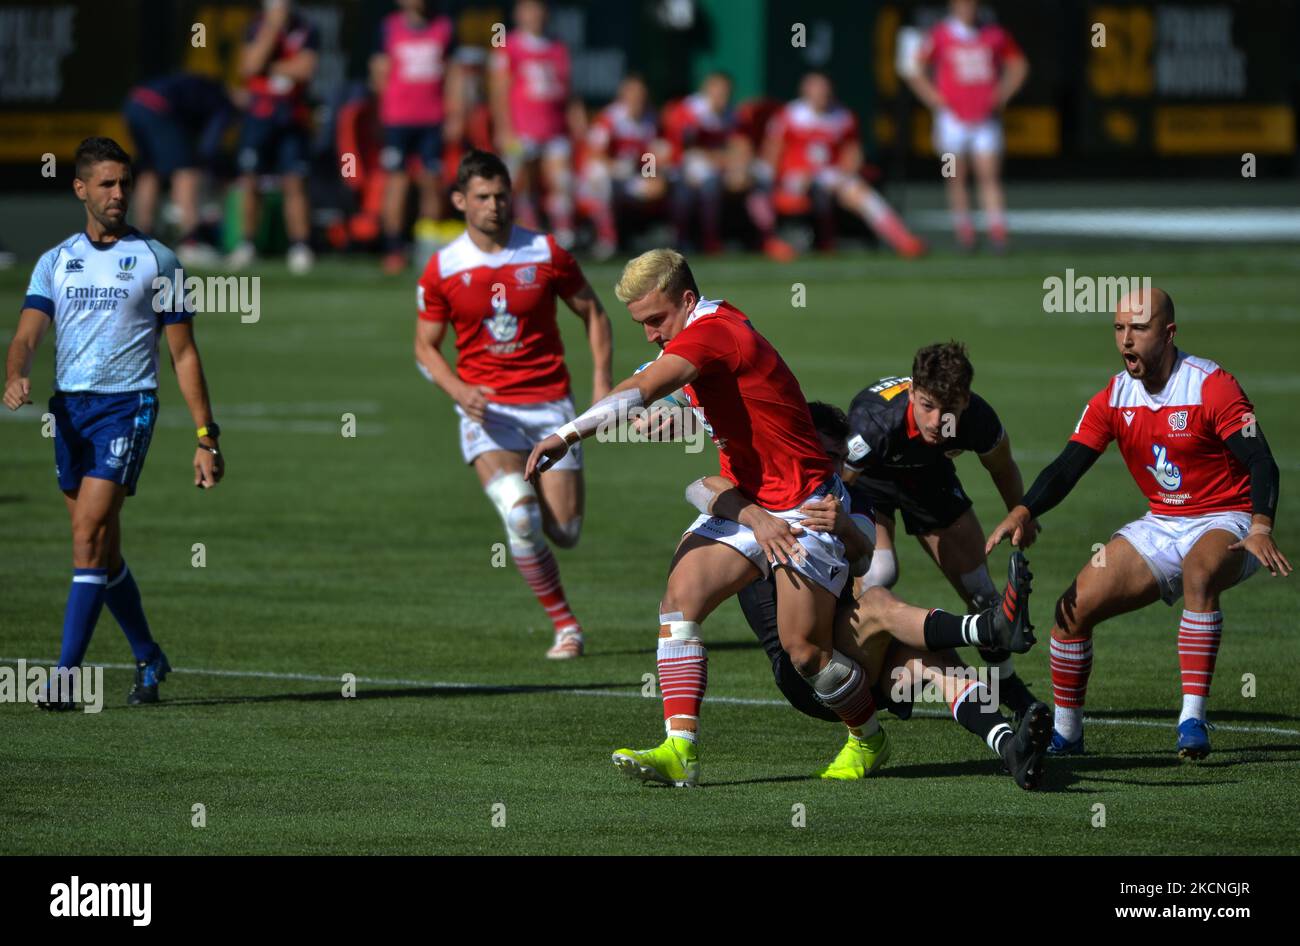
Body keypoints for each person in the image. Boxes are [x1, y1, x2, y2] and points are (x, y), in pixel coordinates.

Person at [526, 249, 891, 788]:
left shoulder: (717, 333)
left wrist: (565, 434)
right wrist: (674, 419)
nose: (650, 334)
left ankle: (868, 736)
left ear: (688, 301)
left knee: (807, 653)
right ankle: (681, 750)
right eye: (641, 324)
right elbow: (698, 400)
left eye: (656, 320)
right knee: (680, 601)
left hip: (804, 506)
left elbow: (643, 388)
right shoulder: (697, 336)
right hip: (747, 502)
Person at [987, 288, 1289, 758]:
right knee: (1072, 611)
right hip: (1163, 523)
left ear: (1168, 333)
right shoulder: (1114, 395)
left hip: (1227, 518)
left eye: (1139, 329)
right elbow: (1069, 465)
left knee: (1199, 572)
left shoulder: (1212, 385)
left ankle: (1192, 720)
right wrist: (1026, 509)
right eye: (1119, 329)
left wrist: (1261, 526)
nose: (1126, 340)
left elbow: (1261, 461)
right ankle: (1068, 734)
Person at [687, 402, 1047, 789]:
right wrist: (757, 517)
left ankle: (1010, 746)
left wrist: (844, 528)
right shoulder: (756, 493)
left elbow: (861, 562)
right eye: (824, 456)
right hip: (809, 671)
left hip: (854, 654)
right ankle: (990, 629)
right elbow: (698, 487)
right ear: (799, 448)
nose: (832, 468)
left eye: (839, 459)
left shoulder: (847, 498)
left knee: (939, 660)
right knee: (877, 604)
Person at [3, 137, 225, 708]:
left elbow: (183, 355)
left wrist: (206, 437)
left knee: (86, 538)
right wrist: (16, 373)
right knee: (103, 551)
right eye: (106, 184)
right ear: (80, 189)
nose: (118, 194)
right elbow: (27, 333)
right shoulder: (55, 261)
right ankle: (149, 656)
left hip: (128, 407)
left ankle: (64, 678)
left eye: (125, 183)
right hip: (69, 413)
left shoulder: (159, 260)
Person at [414, 150, 612, 659]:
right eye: (482, 196)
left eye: (502, 195)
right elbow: (424, 347)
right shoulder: (443, 268)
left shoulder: (546, 252)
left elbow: (593, 313)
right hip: (489, 415)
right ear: (460, 201)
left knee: (564, 532)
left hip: (551, 409)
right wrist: (458, 391)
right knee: (520, 515)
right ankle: (566, 626)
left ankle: (539, 545)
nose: (494, 205)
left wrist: (602, 387)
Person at [843, 342, 1040, 719]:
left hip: (929, 481)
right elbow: (838, 489)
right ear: (913, 393)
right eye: (927, 405)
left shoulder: (977, 418)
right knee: (879, 574)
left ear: (965, 400)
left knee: (983, 596)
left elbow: (1002, 467)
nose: (936, 421)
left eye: (948, 409)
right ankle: (869, 684)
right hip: (871, 485)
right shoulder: (875, 423)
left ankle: (1010, 691)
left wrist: (1021, 514)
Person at [905, 0, 1028, 251]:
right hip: (952, 121)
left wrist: (1002, 94)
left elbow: (1019, 65)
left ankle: (998, 232)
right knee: (955, 176)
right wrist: (933, 97)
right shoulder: (939, 35)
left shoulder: (994, 35)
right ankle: (965, 234)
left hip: (985, 119)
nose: (967, 9)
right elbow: (914, 69)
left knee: (989, 175)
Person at [762, 72, 925, 257]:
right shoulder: (789, 115)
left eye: (825, 90)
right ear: (805, 92)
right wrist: (778, 180)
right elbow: (772, 152)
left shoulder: (842, 116)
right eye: (816, 90)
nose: (821, 95)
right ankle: (777, 242)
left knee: (860, 193)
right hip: (794, 175)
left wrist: (845, 174)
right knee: (790, 193)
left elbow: (853, 153)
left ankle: (903, 240)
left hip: (830, 173)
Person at [370, 0, 463, 274]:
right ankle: (394, 247)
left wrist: (455, 112)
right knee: (396, 181)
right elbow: (380, 70)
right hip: (398, 118)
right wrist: (379, 113)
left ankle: (429, 248)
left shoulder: (444, 27)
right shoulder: (389, 27)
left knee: (431, 181)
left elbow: (454, 71)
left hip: (432, 118)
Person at [663, 72, 795, 261]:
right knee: (709, 180)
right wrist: (727, 161)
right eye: (717, 92)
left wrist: (740, 168)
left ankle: (767, 237)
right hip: (686, 166)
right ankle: (706, 239)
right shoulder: (688, 111)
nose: (721, 98)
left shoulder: (733, 114)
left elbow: (743, 147)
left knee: (762, 175)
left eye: (726, 93)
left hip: (724, 165)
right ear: (706, 90)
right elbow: (688, 150)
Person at [230, 0, 319, 274]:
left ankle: (300, 245)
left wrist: (270, 67)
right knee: (250, 179)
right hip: (259, 116)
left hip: (292, 115)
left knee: (295, 180)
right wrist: (272, 30)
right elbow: (249, 66)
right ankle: (246, 244)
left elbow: (305, 69)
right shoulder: (257, 26)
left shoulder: (308, 29)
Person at [122, 72, 235, 263]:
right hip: (157, 107)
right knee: (186, 170)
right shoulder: (224, 103)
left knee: (150, 170)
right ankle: (191, 241)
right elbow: (209, 147)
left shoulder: (202, 86)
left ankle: (142, 239)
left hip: (133, 104)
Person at [489, 0, 575, 247]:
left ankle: (564, 234)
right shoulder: (508, 45)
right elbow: (499, 89)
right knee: (519, 182)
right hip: (522, 128)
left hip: (553, 126)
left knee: (562, 179)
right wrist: (504, 128)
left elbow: (568, 89)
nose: (535, 15)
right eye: (529, 9)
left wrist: (573, 119)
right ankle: (525, 231)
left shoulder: (558, 46)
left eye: (539, 9)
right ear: (519, 13)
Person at [578, 75, 667, 261]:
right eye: (633, 96)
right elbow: (593, 154)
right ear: (623, 97)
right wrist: (615, 167)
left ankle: (643, 235)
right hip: (607, 176)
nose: (637, 101)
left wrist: (651, 174)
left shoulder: (650, 119)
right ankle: (606, 238)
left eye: (641, 96)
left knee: (658, 185)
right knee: (599, 175)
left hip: (631, 178)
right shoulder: (609, 119)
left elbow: (651, 155)